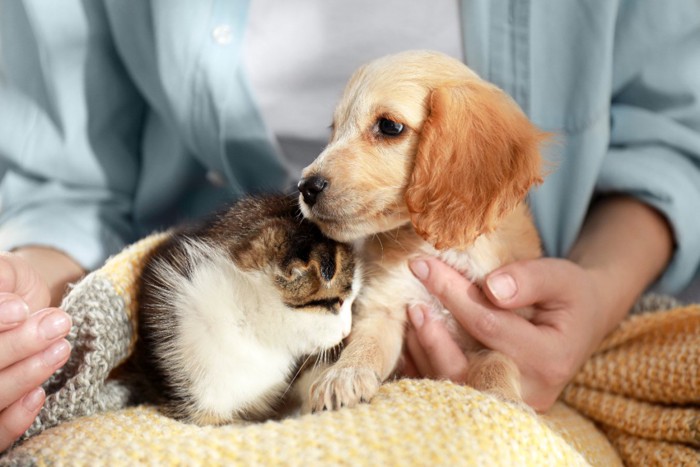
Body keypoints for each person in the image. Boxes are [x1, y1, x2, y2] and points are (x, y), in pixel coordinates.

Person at [1, 0, 699, 453]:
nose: (321, 168)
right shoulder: (381, 245)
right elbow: (63, 176)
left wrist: (601, 291)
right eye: (343, 131)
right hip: (211, 300)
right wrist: (20, 308)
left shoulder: (480, 178)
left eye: (386, 130)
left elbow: (675, 132)